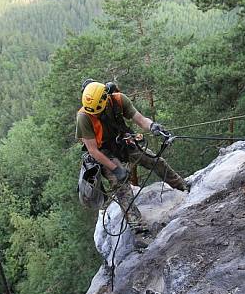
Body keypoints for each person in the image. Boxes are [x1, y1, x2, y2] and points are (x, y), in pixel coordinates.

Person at [76, 80, 188, 231]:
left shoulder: (119, 99)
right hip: (104, 152)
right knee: (120, 184)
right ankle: (137, 226)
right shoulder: (84, 117)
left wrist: (153, 126)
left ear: (104, 98)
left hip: (123, 142)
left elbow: (140, 119)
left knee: (155, 161)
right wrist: (116, 169)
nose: (94, 113)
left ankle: (182, 186)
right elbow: (93, 150)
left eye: (97, 109)